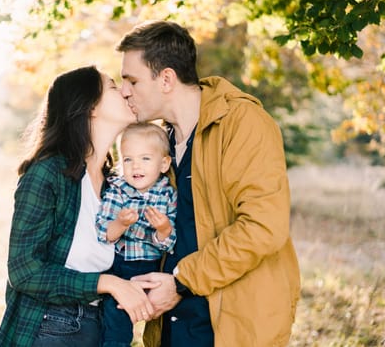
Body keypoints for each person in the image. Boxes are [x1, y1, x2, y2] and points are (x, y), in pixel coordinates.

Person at [116, 21, 301, 347]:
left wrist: (182, 280)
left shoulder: (244, 124)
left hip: (232, 325)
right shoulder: (159, 142)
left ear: (167, 79)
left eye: (132, 80)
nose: (125, 90)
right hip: (172, 329)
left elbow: (263, 227)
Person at [0, 66, 158, 347]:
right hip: (49, 326)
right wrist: (107, 283)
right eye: (114, 87)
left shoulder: (117, 186)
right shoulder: (49, 173)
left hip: (100, 329)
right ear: (91, 107)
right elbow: (24, 271)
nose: (126, 91)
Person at [96, 122, 177, 346]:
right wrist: (121, 223)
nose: (135, 166)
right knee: (117, 324)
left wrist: (163, 229)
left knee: (164, 322)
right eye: (128, 159)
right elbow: (104, 233)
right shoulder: (117, 190)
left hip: (153, 268)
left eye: (145, 158)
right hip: (121, 267)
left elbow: (168, 244)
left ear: (163, 164)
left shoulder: (168, 193)